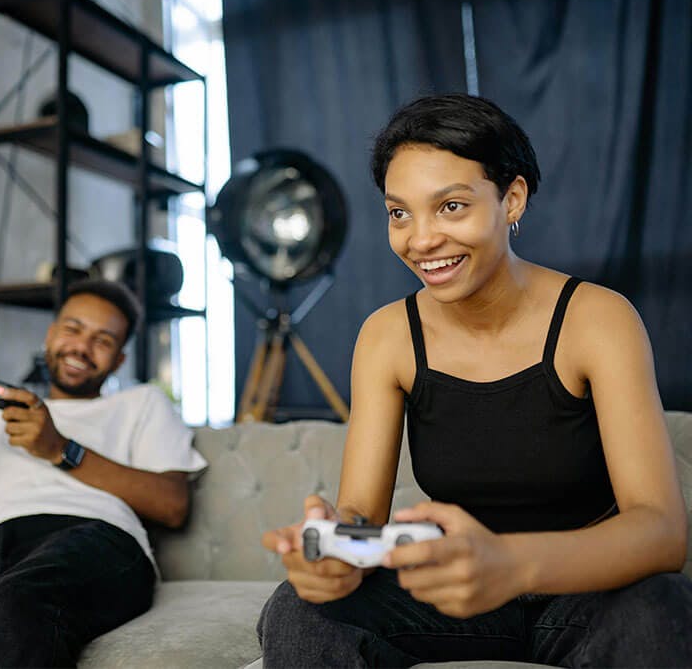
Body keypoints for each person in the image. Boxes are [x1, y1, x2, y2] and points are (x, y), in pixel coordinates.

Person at [258, 94, 692, 668]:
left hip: (584, 587)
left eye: (451, 206)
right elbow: (362, 513)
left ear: (512, 199)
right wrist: (338, 548)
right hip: (450, 590)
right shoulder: (389, 336)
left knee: (662, 609)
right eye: (399, 213)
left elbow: (662, 533)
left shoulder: (597, 320)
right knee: (298, 611)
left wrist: (509, 564)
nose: (421, 240)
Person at [0, 279, 207, 667]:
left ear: (119, 360)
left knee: (18, 600)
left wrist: (60, 449)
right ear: (51, 334)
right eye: (73, 329)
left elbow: (173, 505)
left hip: (92, 538)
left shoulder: (142, 403)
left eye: (103, 341)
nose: (82, 348)